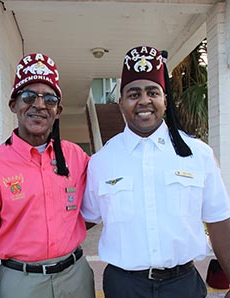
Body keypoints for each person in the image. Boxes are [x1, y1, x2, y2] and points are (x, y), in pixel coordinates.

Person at [81, 45, 230, 298]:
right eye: (134, 93)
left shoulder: (198, 154)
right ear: (121, 103)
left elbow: (219, 221)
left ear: (165, 100)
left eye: (153, 92)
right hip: (123, 286)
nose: (144, 101)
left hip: (182, 285)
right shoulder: (101, 161)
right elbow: (85, 218)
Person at [0, 53, 95, 298]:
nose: (39, 105)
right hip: (21, 283)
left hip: (75, 277)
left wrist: (66, 226)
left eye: (49, 98)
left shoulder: (76, 157)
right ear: (13, 104)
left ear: (58, 111)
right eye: (28, 96)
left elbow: (97, 204)